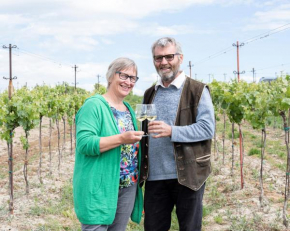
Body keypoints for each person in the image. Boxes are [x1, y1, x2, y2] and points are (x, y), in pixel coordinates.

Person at [140, 37, 215, 231]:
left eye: (168, 56)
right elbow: (145, 130)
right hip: (155, 177)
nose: (163, 62)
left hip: (188, 175)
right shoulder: (149, 93)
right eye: (158, 58)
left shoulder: (197, 90)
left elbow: (207, 128)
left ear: (180, 58)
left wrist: (171, 131)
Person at [73, 57, 144, 231]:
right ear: (111, 76)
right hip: (100, 185)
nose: (128, 82)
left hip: (128, 186)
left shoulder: (127, 108)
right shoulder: (94, 105)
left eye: (132, 78)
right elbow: (84, 143)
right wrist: (121, 139)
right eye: (124, 76)